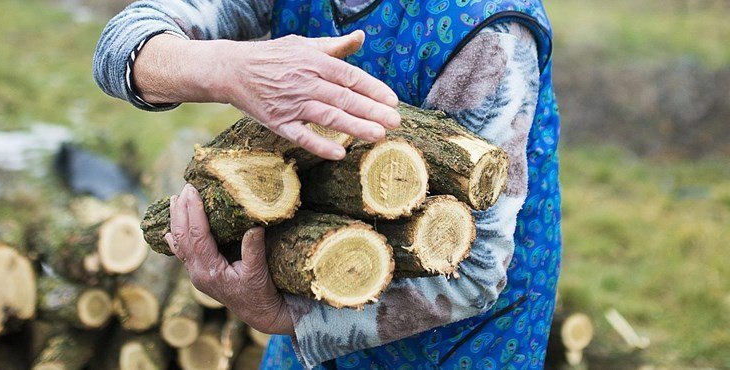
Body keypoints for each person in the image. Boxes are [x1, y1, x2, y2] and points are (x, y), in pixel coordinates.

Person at [94, 0, 561, 368]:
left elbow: (476, 270)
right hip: (320, 276)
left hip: (458, 339)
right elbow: (120, 46)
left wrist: (284, 317)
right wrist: (227, 69)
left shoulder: (488, 29)